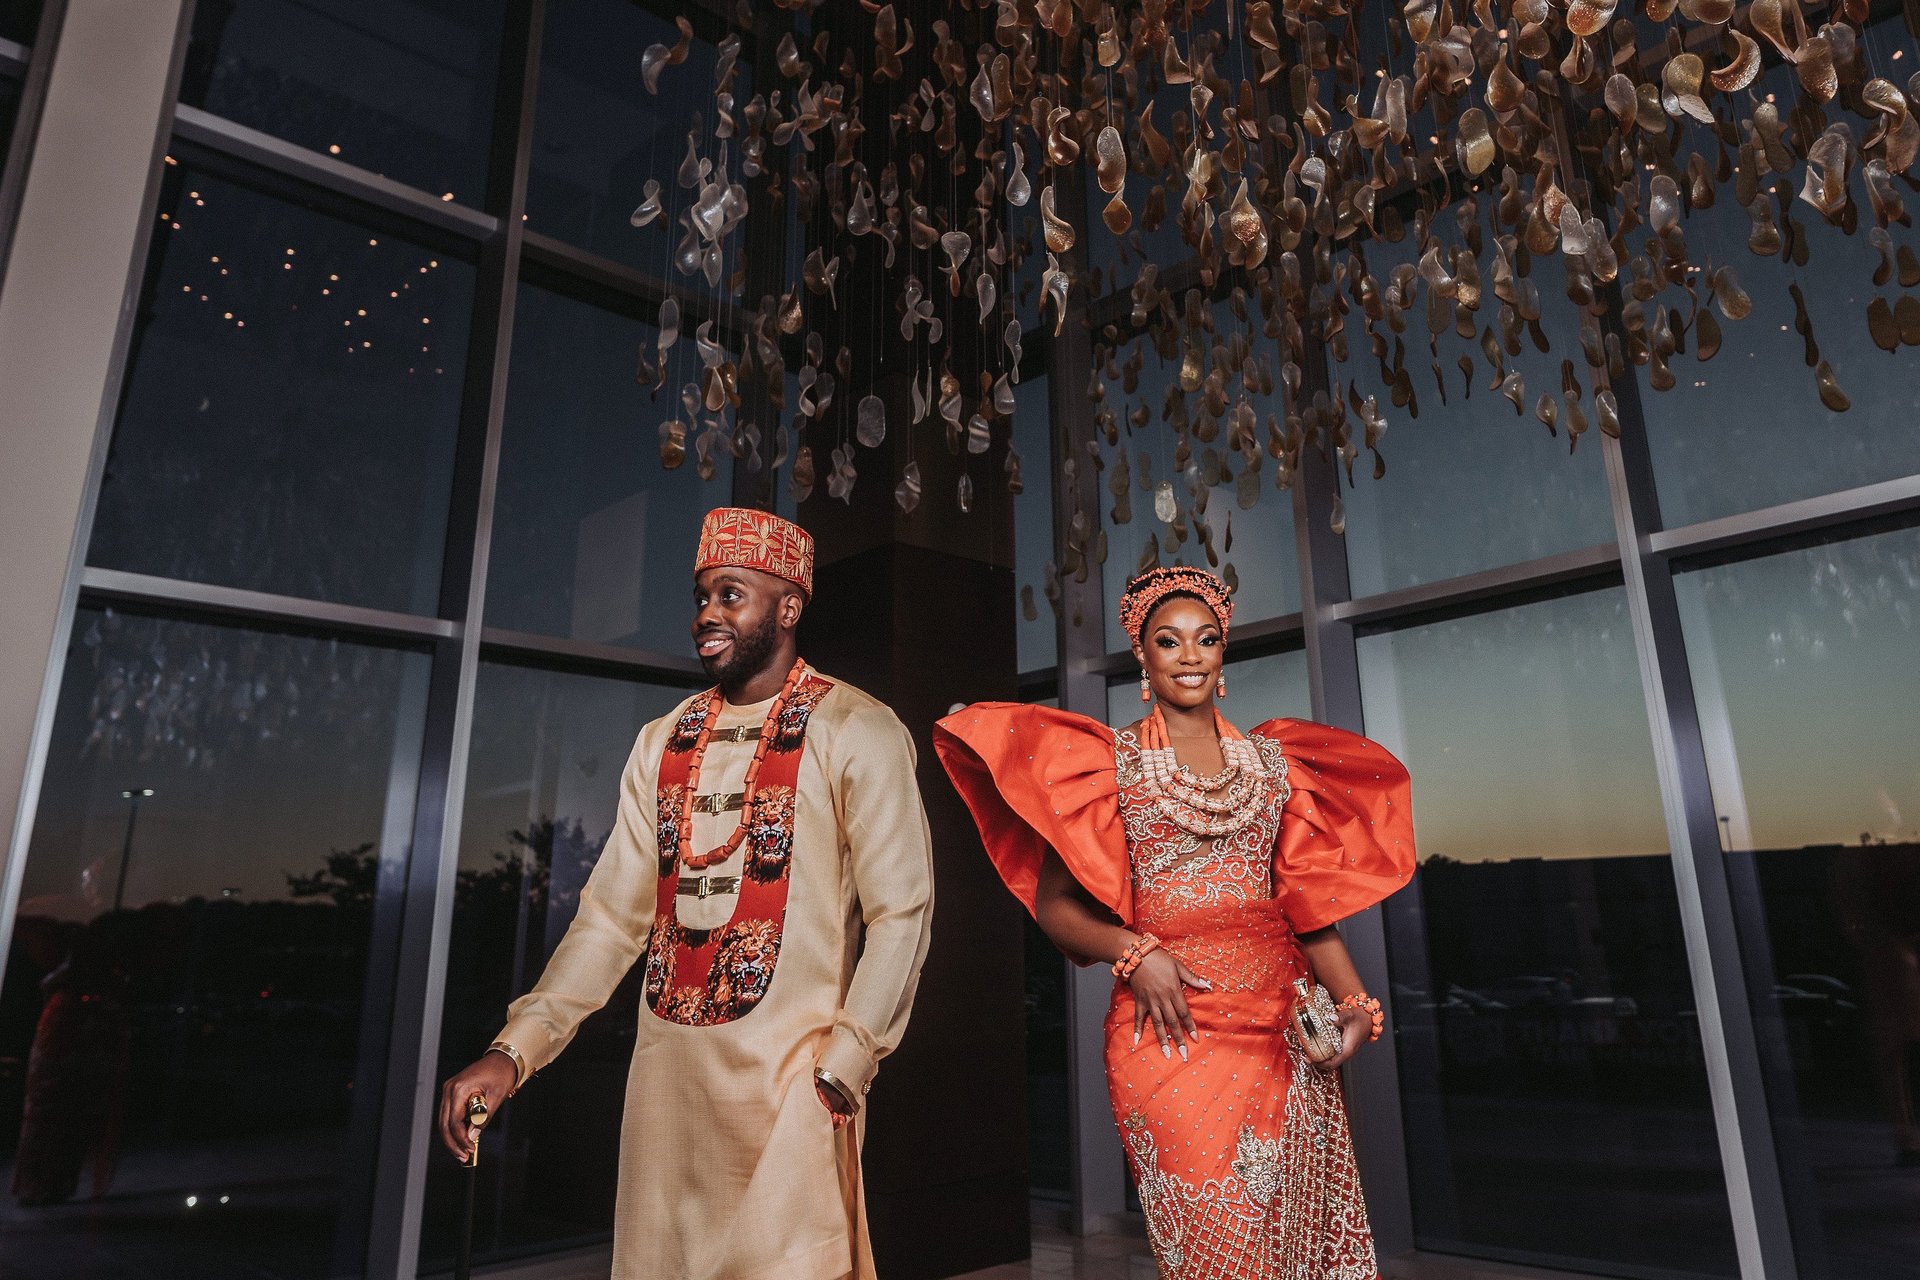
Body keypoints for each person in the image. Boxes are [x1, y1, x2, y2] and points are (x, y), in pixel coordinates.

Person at [439, 507, 935, 1280]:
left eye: (731, 594)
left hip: (793, 1091)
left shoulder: (856, 728)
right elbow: (609, 920)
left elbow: (901, 914)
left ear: (789, 607)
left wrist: (847, 1061)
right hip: (667, 1097)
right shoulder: (661, 741)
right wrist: (515, 1051)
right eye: (702, 595)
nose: (708, 613)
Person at [935, 565, 1416, 1279]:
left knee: (1292, 1252)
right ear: (1143, 656)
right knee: (1215, 1252)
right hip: (1170, 1035)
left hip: (1284, 1033)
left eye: (1206, 639)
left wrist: (1351, 1005)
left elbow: (1306, 909)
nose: (1189, 655)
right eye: (1169, 641)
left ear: (1223, 655)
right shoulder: (1108, 765)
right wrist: (1136, 953)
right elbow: (1056, 909)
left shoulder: (1279, 764)